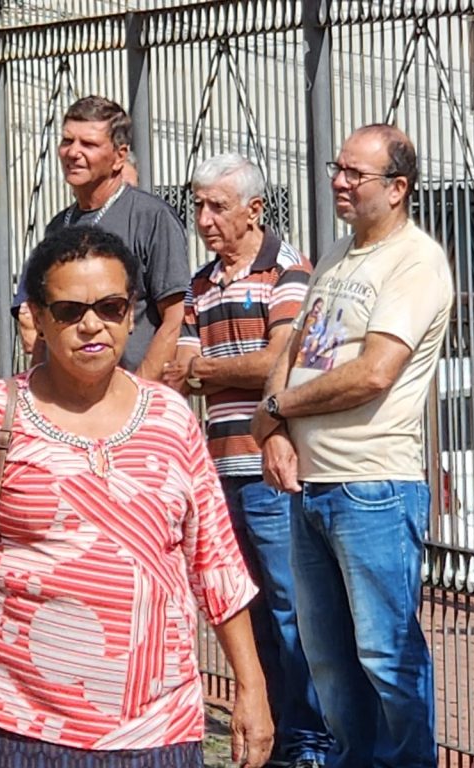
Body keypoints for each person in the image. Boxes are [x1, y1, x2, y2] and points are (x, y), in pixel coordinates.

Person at [0, 224, 273, 768]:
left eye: (110, 307)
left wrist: (251, 687)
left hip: (162, 729)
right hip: (25, 726)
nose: (92, 325)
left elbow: (216, 563)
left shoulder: (170, 418)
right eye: (68, 310)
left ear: (131, 314)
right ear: (36, 316)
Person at [251, 124, 453, 768]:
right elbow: (297, 347)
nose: (338, 180)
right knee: (329, 661)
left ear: (397, 189)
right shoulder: (339, 255)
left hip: (374, 487)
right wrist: (276, 427)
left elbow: (373, 373)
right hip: (311, 484)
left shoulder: (416, 261)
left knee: (386, 659)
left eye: (354, 174)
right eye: (337, 167)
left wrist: (278, 407)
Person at [164, 153, 330, 768]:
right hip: (218, 472)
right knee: (242, 610)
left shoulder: (290, 271)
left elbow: (281, 362)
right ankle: (273, 734)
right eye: (199, 205)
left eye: (217, 206)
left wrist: (208, 368)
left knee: (291, 610)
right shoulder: (201, 283)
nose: (204, 219)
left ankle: (309, 742)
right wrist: (222, 370)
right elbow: (181, 373)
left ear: (255, 210)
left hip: (270, 469)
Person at [10, 95, 189, 380]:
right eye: (67, 141)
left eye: (89, 144)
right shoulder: (59, 226)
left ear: (120, 156)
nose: (73, 153)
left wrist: (141, 395)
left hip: (130, 396)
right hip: (66, 400)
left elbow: (175, 317)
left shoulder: (150, 217)